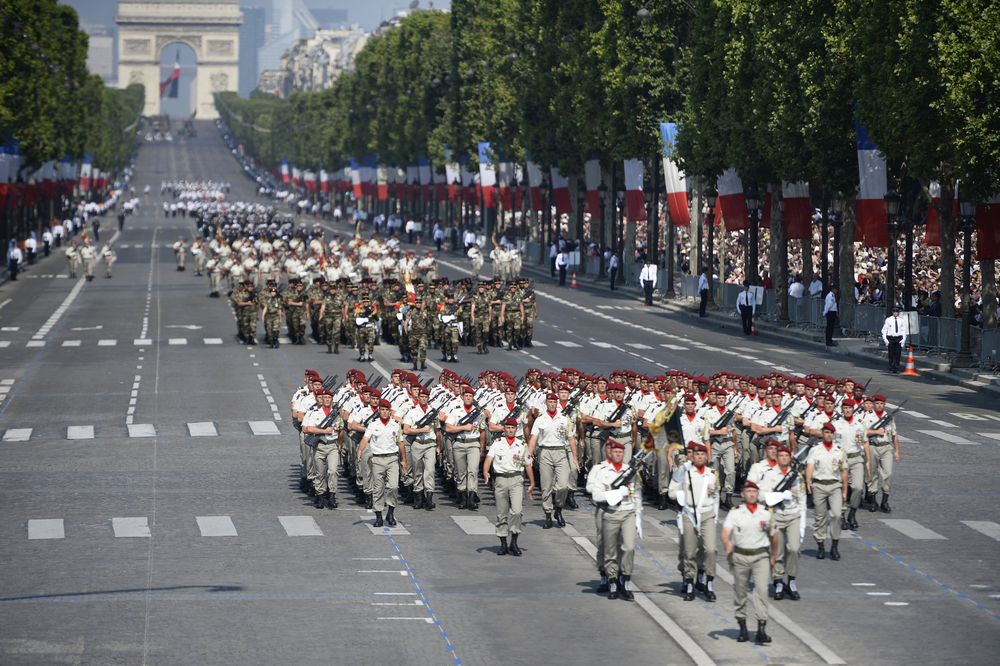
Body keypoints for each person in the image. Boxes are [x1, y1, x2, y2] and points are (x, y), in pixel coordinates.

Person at [721, 481, 777, 644]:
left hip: (760, 556)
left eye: (754, 491)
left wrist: (773, 556)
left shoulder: (766, 513)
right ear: (743, 494)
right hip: (740, 556)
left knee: (761, 591)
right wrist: (726, 541)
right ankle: (743, 627)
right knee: (740, 592)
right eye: (748, 491)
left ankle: (761, 629)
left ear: (757, 494)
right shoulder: (735, 513)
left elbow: (774, 535)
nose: (752, 494)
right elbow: (725, 531)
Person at [586, 439, 639, 600]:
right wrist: (613, 493)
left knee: (624, 546)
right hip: (604, 509)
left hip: (624, 510)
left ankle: (622, 577)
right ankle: (606, 576)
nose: (613, 452)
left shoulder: (627, 470)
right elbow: (591, 488)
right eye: (611, 449)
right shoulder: (599, 468)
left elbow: (636, 493)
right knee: (604, 544)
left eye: (618, 450)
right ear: (606, 450)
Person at [669, 441, 719, 602]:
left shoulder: (712, 474)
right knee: (689, 551)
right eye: (696, 454)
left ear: (706, 456)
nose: (699, 456)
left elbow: (715, 495)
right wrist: (681, 498)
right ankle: (689, 582)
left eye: (702, 454)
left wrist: (715, 516)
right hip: (689, 513)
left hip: (707, 513)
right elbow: (671, 492)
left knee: (710, 549)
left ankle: (708, 582)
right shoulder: (683, 471)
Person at [759, 443, 805, 601]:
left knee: (794, 549)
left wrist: (803, 523)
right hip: (776, 515)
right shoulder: (769, 474)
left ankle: (791, 580)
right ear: (777, 458)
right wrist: (779, 496)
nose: (784, 458)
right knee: (777, 552)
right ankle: (778, 581)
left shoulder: (796, 476)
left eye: (786, 456)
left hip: (793, 515)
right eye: (781, 456)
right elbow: (761, 496)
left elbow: (802, 498)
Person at [484, 417, 534, 556]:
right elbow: (489, 459)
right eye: (508, 428)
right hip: (501, 480)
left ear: (516, 429)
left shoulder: (521, 445)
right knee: (502, 513)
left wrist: (532, 483)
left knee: (517, 511)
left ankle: (514, 541)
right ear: (504, 429)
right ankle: (503, 543)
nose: (510, 430)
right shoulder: (497, 443)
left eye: (513, 428)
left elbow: (527, 464)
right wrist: (485, 471)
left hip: (517, 479)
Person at [528, 392, 579, 529]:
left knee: (563, 485)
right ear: (546, 403)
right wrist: (529, 456)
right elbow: (533, 439)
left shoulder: (564, 419)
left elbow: (571, 439)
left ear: (557, 404)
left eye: (554, 402)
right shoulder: (540, 420)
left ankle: (559, 509)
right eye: (550, 402)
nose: (552, 404)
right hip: (545, 452)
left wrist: (574, 458)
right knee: (546, 486)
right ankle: (548, 515)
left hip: (561, 452)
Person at [357, 398, 407, 527]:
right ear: (379, 411)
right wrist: (360, 450)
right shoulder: (373, 425)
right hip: (378, 459)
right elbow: (365, 438)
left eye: (386, 410)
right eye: (382, 410)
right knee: (378, 488)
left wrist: (404, 459)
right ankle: (378, 515)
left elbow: (400, 442)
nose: (384, 412)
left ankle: (390, 512)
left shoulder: (395, 425)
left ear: (390, 412)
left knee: (394, 486)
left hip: (392, 459)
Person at [805, 422, 848, 561]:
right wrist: (808, 480)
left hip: (835, 486)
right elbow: (810, 467)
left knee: (836, 515)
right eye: (826, 432)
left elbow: (844, 471)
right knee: (820, 517)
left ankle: (834, 546)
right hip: (819, 486)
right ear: (822, 434)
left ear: (833, 435)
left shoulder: (840, 450)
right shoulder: (815, 449)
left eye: (831, 433)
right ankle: (821, 547)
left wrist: (845, 491)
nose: (829, 435)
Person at [301, 388, 342, 509]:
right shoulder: (315, 413)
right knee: (319, 473)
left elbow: (340, 430)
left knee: (333, 471)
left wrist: (340, 444)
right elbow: (308, 428)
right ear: (321, 400)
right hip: (319, 445)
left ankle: (332, 495)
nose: (327, 400)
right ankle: (320, 496)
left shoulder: (336, 414)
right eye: (325, 398)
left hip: (332, 445)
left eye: (329, 398)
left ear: (332, 400)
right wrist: (324, 431)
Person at [863, 395, 899, 513]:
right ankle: (872, 501)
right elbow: (862, 432)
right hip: (872, 447)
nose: (879, 405)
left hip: (886, 447)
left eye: (881, 403)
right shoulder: (867, 417)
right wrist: (876, 431)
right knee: (872, 474)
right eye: (877, 403)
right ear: (873, 404)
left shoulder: (889, 418)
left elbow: (894, 434)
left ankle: (885, 501)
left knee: (888, 473)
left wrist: (897, 450)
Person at [881, 305, 908, 373]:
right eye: (894, 311)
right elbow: (884, 330)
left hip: (898, 338)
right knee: (891, 354)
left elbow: (903, 330)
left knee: (897, 354)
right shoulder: (888, 320)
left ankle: (896, 368)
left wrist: (903, 339)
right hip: (891, 338)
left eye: (897, 312)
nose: (895, 313)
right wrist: (885, 339)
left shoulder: (901, 320)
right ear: (892, 312)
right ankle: (891, 368)